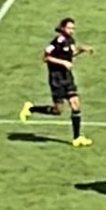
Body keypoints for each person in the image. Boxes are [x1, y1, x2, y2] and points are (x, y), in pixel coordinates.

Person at [20, 17, 94, 146]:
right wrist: (63, 62)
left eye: (73, 28)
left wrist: (82, 49)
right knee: (58, 110)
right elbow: (46, 57)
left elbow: (71, 53)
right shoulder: (57, 41)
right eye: (69, 28)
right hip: (57, 79)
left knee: (75, 104)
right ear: (63, 28)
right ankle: (31, 108)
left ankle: (77, 138)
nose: (71, 30)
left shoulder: (70, 40)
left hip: (67, 77)